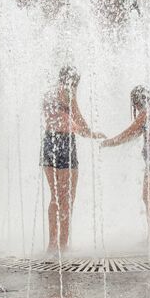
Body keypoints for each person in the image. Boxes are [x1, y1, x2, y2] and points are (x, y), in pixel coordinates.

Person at [41, 66, 105, 255]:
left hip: (48, 142)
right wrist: (92, 134)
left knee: (55, 198)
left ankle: (51, 245)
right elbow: (77, 118)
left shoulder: (48, 93)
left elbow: (55, 118)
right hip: (64, 143)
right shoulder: (66, 92)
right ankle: (63, 245)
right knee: (67, 198)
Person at [101, 85, 150, 251]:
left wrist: (108, 143)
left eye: (135, 104)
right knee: (148, 199)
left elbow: (130, 132)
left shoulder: (148, 111)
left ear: (137, 101)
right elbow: (135, 133)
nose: (136, 108)